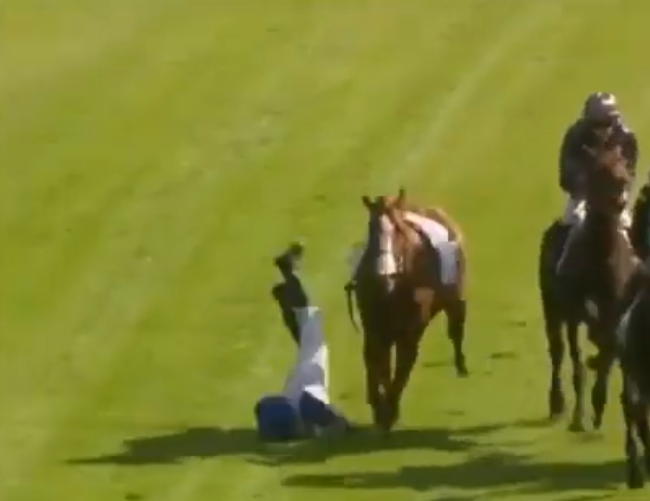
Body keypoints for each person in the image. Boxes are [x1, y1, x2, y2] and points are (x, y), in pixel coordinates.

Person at [254, 244, 353, 442]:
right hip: (297, 389)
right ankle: (288, 289)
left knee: (310, 328)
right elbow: (262, 406)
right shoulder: (303, 405)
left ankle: (289, 280)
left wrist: (340, 424)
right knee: (307, 332)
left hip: (304, 385)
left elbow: (320, 412)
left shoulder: (307, 404)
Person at [556, 92, 639, 271]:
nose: (602, 130)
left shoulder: (625, 138)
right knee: (573, 223)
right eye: (596, 125)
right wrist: (587, 184)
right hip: (583, 197)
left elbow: (630, 173)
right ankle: (562, 269)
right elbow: (566, 174)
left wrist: (621, 192)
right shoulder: (575, 137)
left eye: (606, 124)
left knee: (628, 230)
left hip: (615, 198)